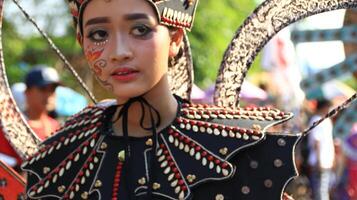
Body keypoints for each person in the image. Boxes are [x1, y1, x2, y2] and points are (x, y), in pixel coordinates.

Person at [21, 0, 299, 199]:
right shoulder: (60, 158)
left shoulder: (238, 151)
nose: (119, 52)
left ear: (175, 36)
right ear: (82, 41)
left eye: (140, 29)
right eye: (99, 34)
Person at [307, 99, 335, 200]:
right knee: (320, 193)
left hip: (326, 162)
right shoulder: (316, 119)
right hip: (319, 162)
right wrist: (319, 161)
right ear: (323, 107)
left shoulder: (326, 120)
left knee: (323, 191)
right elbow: (316, 142)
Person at [24, 66, 61, 140]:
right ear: (27, 92)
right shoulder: (11, 126)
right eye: (43, 89)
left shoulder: (56, 128)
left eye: (52, 89)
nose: (48, 95)